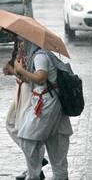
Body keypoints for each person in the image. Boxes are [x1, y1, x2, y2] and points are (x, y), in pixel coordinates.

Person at [13, 41, 73, 180]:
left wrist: (20, 70)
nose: (21, 45)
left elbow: (41, 77)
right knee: (57, 152)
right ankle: (39, 174)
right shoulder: (42, 55)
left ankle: (34, 174)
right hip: (53, 107)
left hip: (47, 106)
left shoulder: (40, 56)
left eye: (23, 42)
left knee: (27, 138)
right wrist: (21, 73)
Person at [2, 34, 49, 180]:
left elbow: (31, 75)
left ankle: (34, 168)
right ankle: (35, 163)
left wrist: (15, 70)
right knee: (11, 124)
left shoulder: (33, 48)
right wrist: (11, 69)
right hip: (20, 89)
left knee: (27, 131)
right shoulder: (19, 43)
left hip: (29, 90)